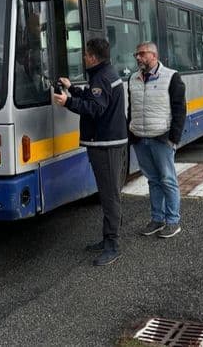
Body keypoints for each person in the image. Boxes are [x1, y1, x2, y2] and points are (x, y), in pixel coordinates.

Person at [53, 38, 128, 266]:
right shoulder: (105, 74)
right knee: (109, 194)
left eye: (86, 54)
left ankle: (112, 246)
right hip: (107, 144)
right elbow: (93, 97)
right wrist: (72, 89)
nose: (83, 57)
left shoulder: (101, 77)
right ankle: (107, 240)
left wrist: (67, 102)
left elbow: (95, 108)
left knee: (109, 196)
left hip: (105, 146)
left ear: (94, 57)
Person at [127, 41, 186, 239]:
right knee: (153, 180)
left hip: (161, 138)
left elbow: (179, 110)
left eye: (142, 54)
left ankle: (172, 221)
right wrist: (131, 134)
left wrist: (173, 139)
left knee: (167, 180)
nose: (138, 57)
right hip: (140, 138)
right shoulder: (133, 79)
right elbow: (131, 109)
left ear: (153, 55)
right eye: (136, 54)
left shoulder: (171, 77)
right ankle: (157, 219)